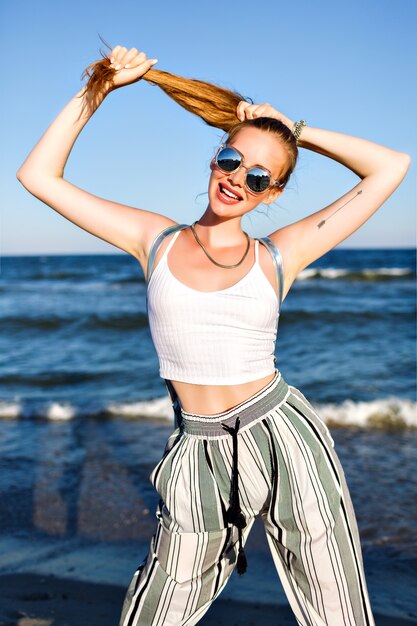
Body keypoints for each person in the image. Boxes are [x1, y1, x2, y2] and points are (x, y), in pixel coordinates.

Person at [16, 44, 410, 626]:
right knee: (157, 608)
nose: (236, 179)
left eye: (257, 176)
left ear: (271, 193)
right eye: (230, 159)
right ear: (215, 157)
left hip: (286, 438)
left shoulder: (281, 254)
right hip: (197, 449)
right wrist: (100, 87)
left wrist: (291, 128)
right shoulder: (155, 239)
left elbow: (392, 166)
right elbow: (37, 176)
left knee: (336, 609)